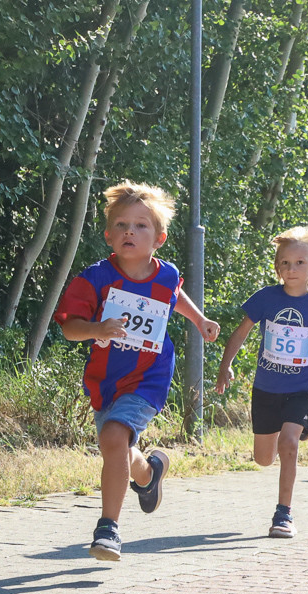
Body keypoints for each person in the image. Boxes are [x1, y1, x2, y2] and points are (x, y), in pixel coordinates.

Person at [55, 181, 220, 560]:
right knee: (116, 447)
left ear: (159, 238)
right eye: (122, 225)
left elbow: (172, 295)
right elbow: (69, 326)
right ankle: (149, 474)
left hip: (149, 375)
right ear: (109, 235)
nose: (131, 231)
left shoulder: (165, 274)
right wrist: (97, 329)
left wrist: (199, 319)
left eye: (141, 225)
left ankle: (107, 530)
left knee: (113, 438)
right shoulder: (94, 278)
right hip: (107, 379)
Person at [215, 225, 308, 538]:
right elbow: (240, 333)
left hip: (303, 389)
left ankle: (283, 514)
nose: (291, 269)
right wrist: (226, 366)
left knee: (288, 443)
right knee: (263, 459)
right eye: (285, 263)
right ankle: (295, 430)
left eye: (299, 263)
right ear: (278, 266)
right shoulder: (265, 298)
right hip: (266, 389)